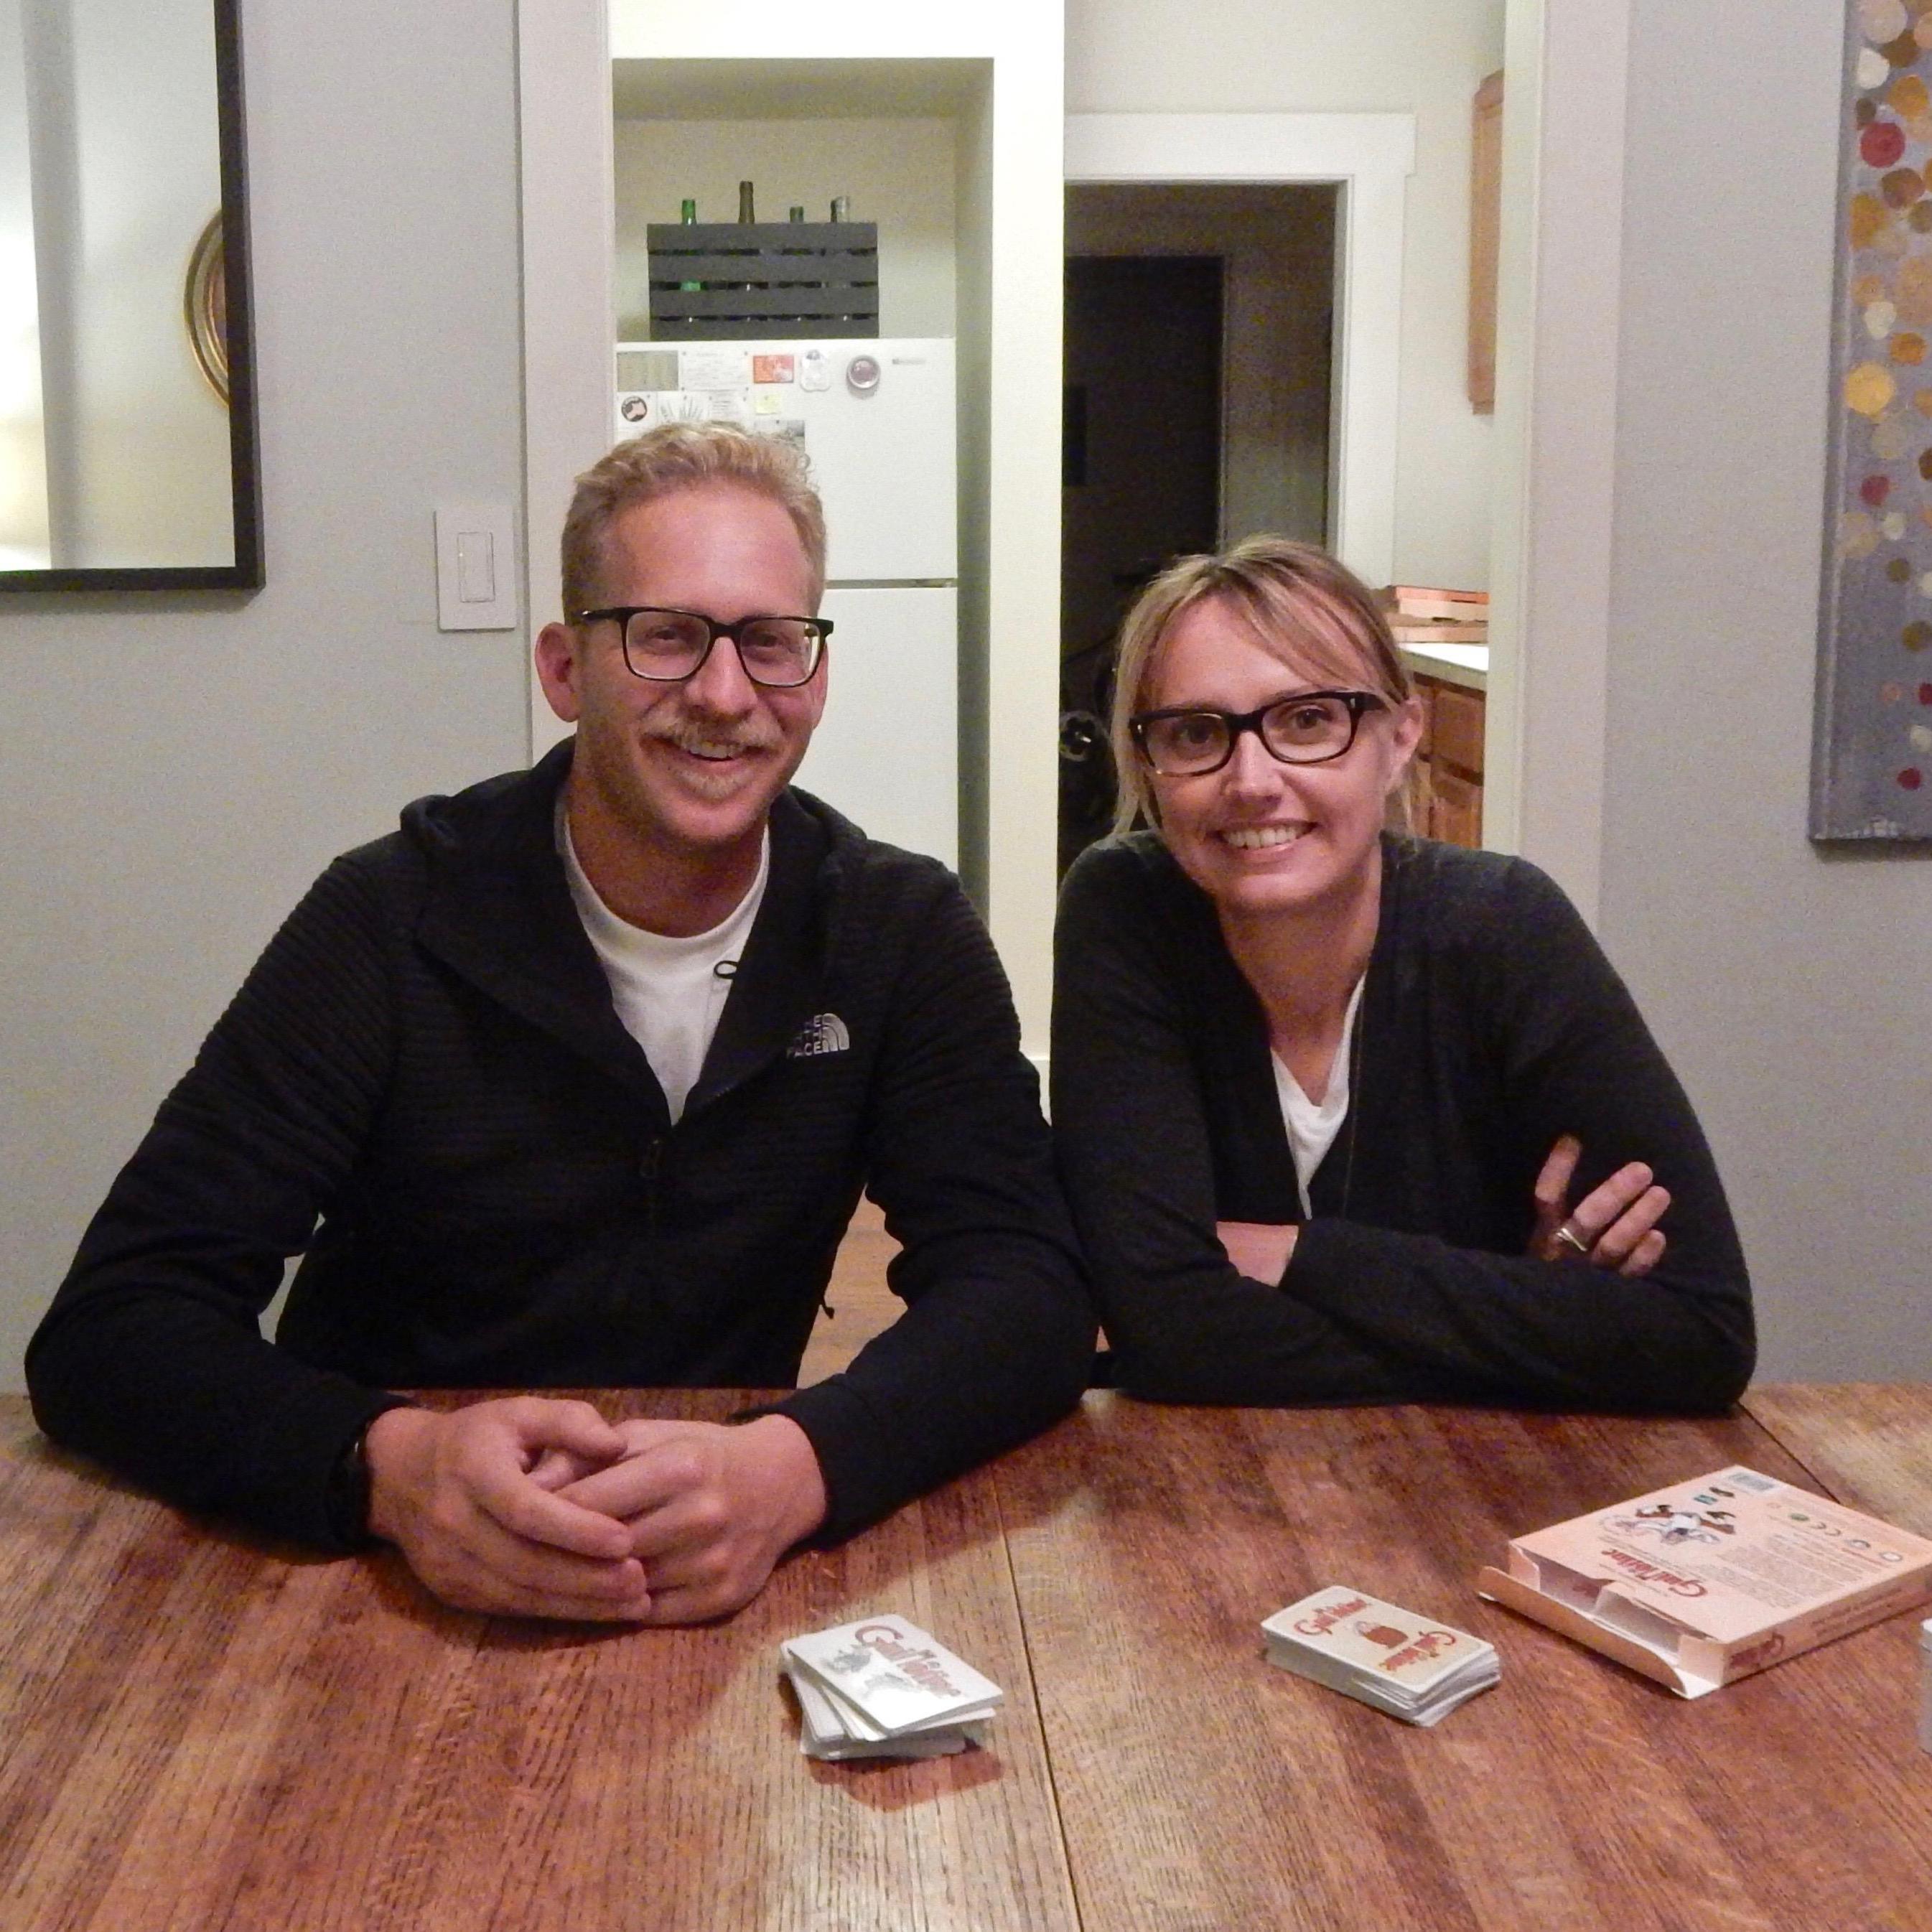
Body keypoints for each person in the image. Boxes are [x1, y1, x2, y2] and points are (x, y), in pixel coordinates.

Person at [28, 424, 1093, 1623]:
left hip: (716, 1559)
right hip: (378, 1578)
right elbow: (113, 1327)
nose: (726, 694)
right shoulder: (389, 916)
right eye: (666, 635)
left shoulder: (896, 928)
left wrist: (796, 1465)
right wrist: (384, 1466)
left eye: (770, 642)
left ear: (817, 670)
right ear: (561, 667)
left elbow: (1027, 1291)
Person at [1050, 538, 1753, 1411]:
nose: (1252, 780)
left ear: (1400, 739)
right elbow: (1168, 1331)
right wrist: (1535, 1322)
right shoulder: (1126, 909)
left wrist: (1301, 1255)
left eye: (1308, 720)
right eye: (1198, 733)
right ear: (1152, 765)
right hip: (1211, 1509)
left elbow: (1699, 1333)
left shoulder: (1504, 926)